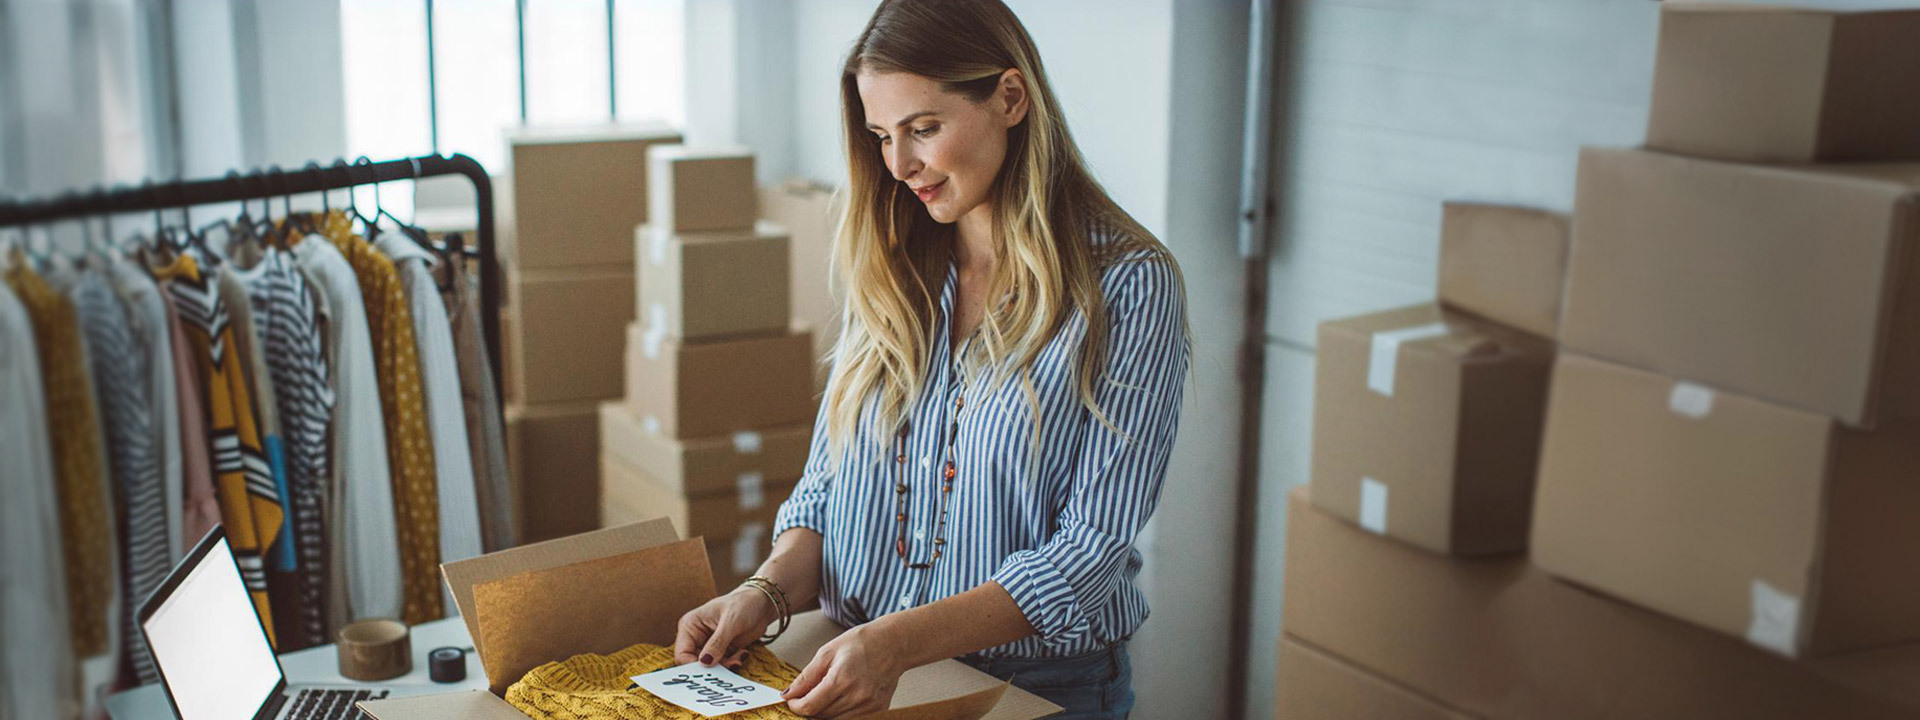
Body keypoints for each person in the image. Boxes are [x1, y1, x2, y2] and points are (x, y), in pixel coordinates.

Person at [673, 1, 1190, 717]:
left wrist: (895, 643)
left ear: (1011, 98)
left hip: (1034, 691)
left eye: (923, 129)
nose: (899, 164)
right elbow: (827, 488)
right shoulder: (890, 266)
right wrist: (762, 592)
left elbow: (1089, 552)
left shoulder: (1128, 285)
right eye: (882, 135)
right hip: (863, 673)